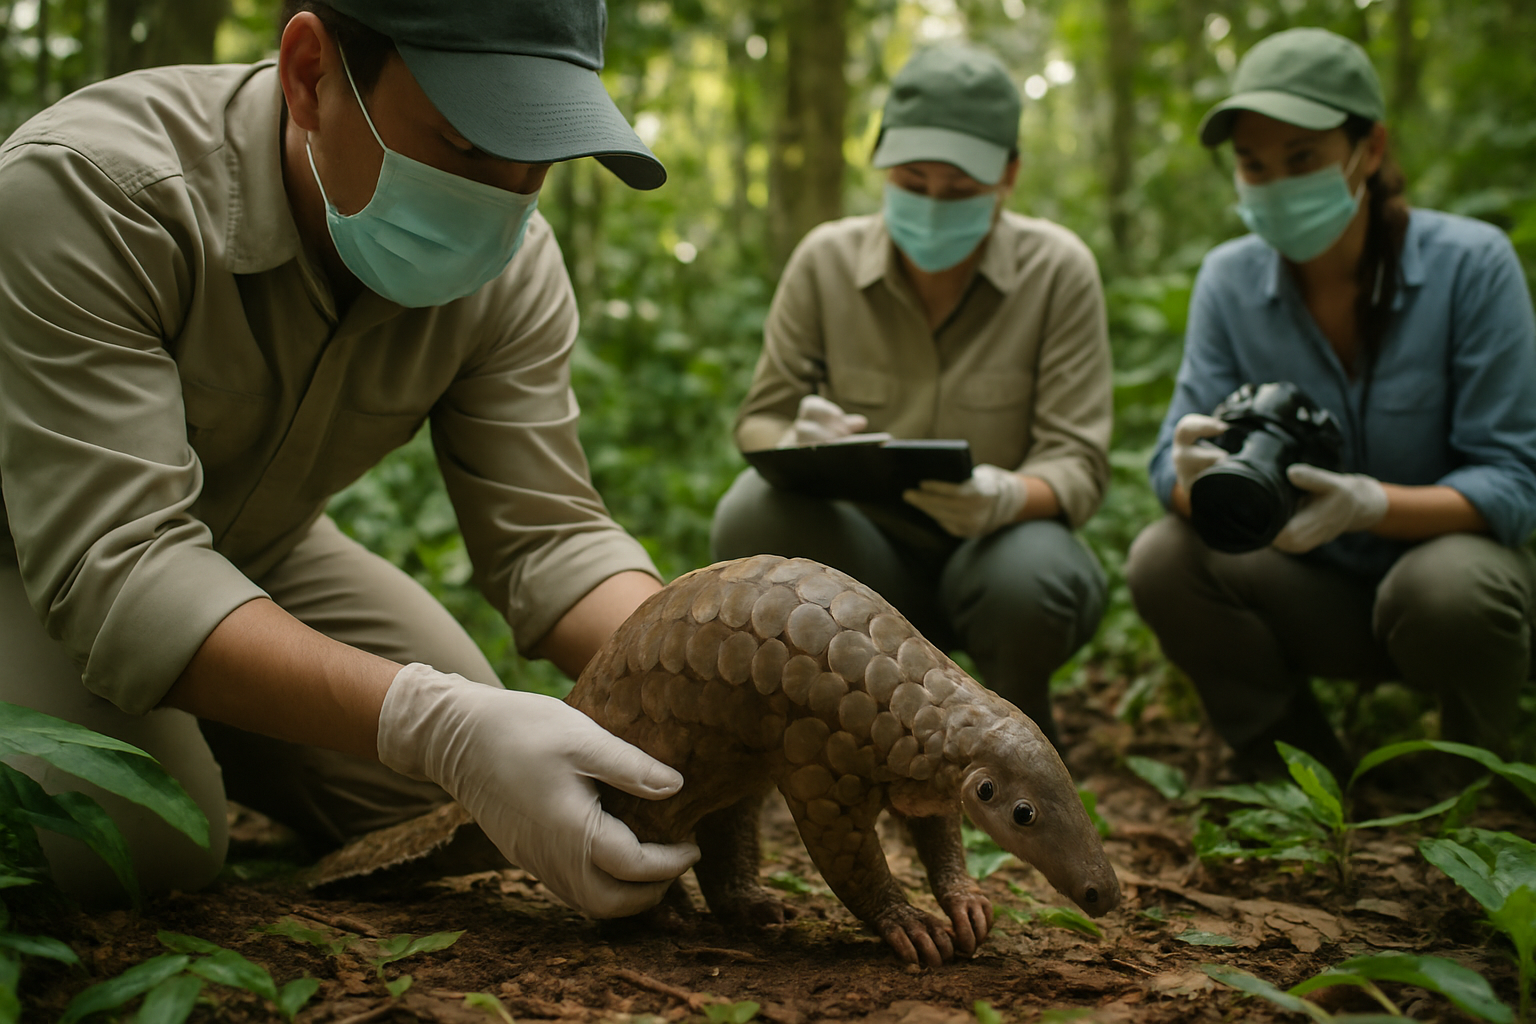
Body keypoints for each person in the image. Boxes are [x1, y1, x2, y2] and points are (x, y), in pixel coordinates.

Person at [0, 0, 701, 914]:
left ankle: (214, 706)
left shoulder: (513, 267)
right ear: (309, 76)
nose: (503, 195)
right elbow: (118, 565)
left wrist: (715, 674)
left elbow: (550, 537)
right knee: (137, 833)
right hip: (35, 556)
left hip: (257, 544)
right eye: (463, 143)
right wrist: (430, 721)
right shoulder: (98, 191)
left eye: (539, 161)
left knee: (463, 812)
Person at [1126, 27, 1536, 779]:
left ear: (1369, 150)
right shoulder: (1228, 281)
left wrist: (1373, 505)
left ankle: (1474, 781)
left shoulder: (1472, 267)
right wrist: (1192, 479)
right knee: (1163, 558)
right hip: (1311, 588)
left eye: (1302, 159)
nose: (1275, 184)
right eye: (1254, 164)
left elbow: (1516, 484)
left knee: (1447, 588)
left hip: (1445, 592)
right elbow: (1166, 466)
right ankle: (1292, 765)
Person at [710, 45, 1112, 748]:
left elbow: (1078, 460)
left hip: (996, 556)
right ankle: (834, 725)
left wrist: (1009, 497)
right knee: (749, 510)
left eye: (958, 190)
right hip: (862, 565)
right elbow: (760, 421)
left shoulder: (1058, 271)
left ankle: (1017, 734)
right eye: (910, 180)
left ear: (1008, 175)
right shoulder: (825, 262)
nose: (931, 205)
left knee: (1028, 579)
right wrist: (801, 436)